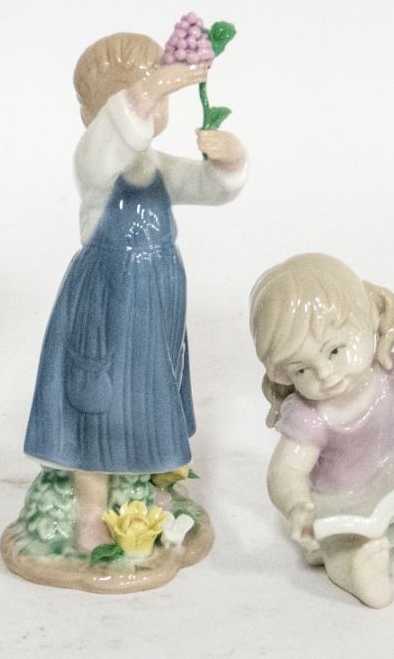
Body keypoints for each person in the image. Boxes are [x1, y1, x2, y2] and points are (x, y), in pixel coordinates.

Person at [22, 31, 248, 553]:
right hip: (107, 294)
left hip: (156, 293)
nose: (150, 104)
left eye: (159, 96)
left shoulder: (157, 166)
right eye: (135, 96)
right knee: (94, 401)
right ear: (95, 113)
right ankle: (90, 510)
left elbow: (209, 187)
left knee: (151, 393)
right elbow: (114, 134)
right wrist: (155, 84)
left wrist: (229, 160)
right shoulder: (94, 159)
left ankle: (146, 482)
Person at [250, 253, 394, 608]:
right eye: (302, 370)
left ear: (370, 320)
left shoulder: (385, 376)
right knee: (341, 542)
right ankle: (358, 570)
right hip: (338, 497)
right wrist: (297, 505)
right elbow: (286, 471)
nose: (325, 374)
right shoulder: (308, 415)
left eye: (334, 351)